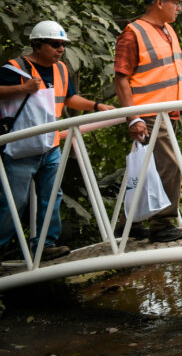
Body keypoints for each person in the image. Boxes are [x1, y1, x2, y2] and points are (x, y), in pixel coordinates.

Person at [114, 0, 182, 243]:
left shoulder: (168, 31)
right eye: (175, 2)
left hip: (166, 111)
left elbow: (170, 72)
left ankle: (129, 223)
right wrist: (132, 117)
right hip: (148, 112)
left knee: (143, 166)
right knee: (169, 165)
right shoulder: (133, 32)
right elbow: (121, 78)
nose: (179, 8)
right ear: (159, 2)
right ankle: (161, 224)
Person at [0, 21, 115, 260]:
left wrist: (96, 106)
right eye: (55, 44)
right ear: (37, 44)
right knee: (13, 201)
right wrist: (22, 89)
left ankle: (45, 245)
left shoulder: (62, 69)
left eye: (62, 45)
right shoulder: (15, 68)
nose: (60, 49)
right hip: (20, 148)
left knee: (52, 194)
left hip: (50, 145)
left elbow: (69, 98)